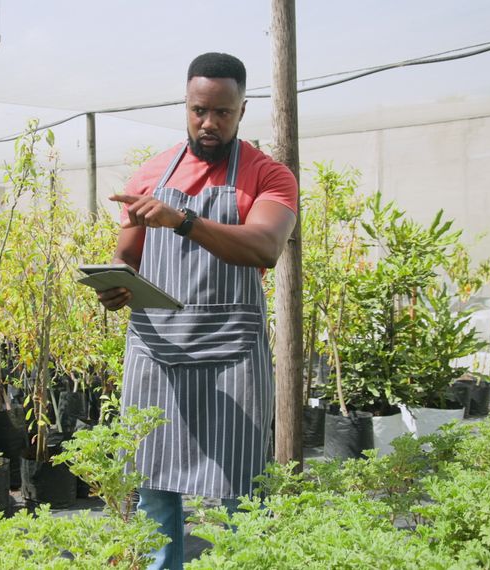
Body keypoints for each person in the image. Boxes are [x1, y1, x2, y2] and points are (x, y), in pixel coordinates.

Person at [98, 52, 299, 569]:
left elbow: (263, 248)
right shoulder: (151, 172)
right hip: (158, 349)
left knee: (240, 486)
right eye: (198, 111)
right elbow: (127, 255)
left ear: (242, 110)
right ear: (185, 105)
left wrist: (182, 219)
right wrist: (115, 285)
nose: (209, 124)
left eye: (222, 113)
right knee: (155, 486)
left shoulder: (268, 176)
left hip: (230, 350)